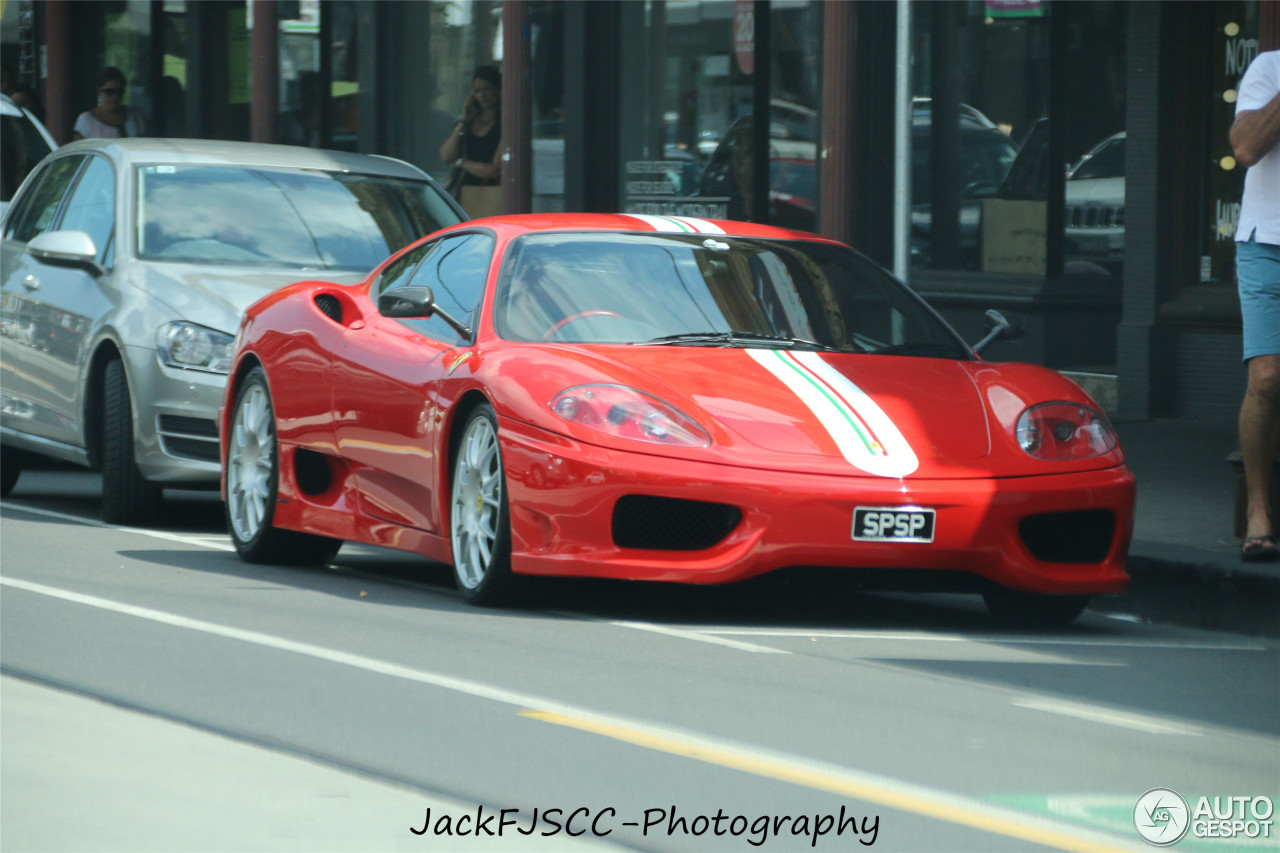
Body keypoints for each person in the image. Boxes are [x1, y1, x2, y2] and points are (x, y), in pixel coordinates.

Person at [1231, 49, 1280, 562]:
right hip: (1267, 241)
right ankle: (1258, 510)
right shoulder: (1269, 68)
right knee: (1267, 377)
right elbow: (1245, 148)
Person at [439, 65, 502, 217]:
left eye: (487, 89)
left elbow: (493, 170)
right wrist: (463, 122)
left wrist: (461, 163)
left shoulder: (503, 125)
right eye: (477, 91)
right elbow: (446, 155)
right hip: (464, 192)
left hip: (492, 193)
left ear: (498, 91)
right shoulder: (468, 124)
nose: (482, 95)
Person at [73, 67, 145, 140]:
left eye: (119, 91)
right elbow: (79, 147)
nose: (115, 96)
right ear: (99, 91)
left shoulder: (135, 115)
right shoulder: (86, 120)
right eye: (109, 92)